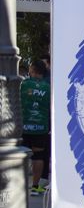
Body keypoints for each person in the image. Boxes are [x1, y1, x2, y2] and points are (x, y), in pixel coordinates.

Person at [21, 60, 50, 195]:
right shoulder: (48, 87)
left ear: (32, 70)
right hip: (41, 127)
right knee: (38, 156)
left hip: (23, 126)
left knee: (20, 155)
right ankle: (35, 187)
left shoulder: (24, 84)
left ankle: (18, 186)